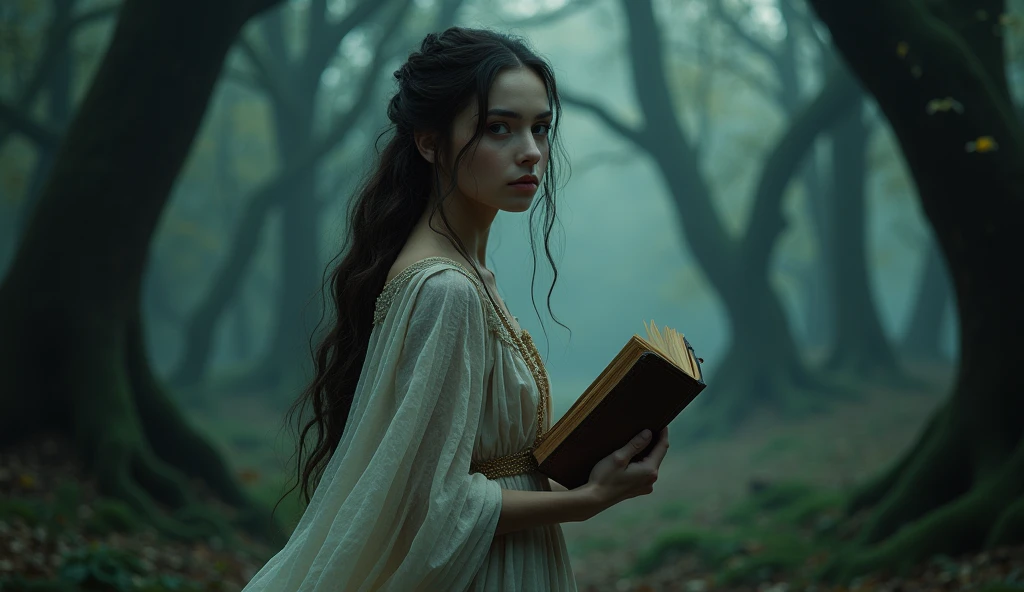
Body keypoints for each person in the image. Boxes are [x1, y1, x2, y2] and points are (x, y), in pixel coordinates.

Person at [242, 26, 670, 592]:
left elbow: (472, 459)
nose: (531, 152)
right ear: (428, 142)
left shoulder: (466, 274)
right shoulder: (445, 289)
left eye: (540, 128)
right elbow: (434, 505)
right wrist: (588, 501)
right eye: (499, 128)